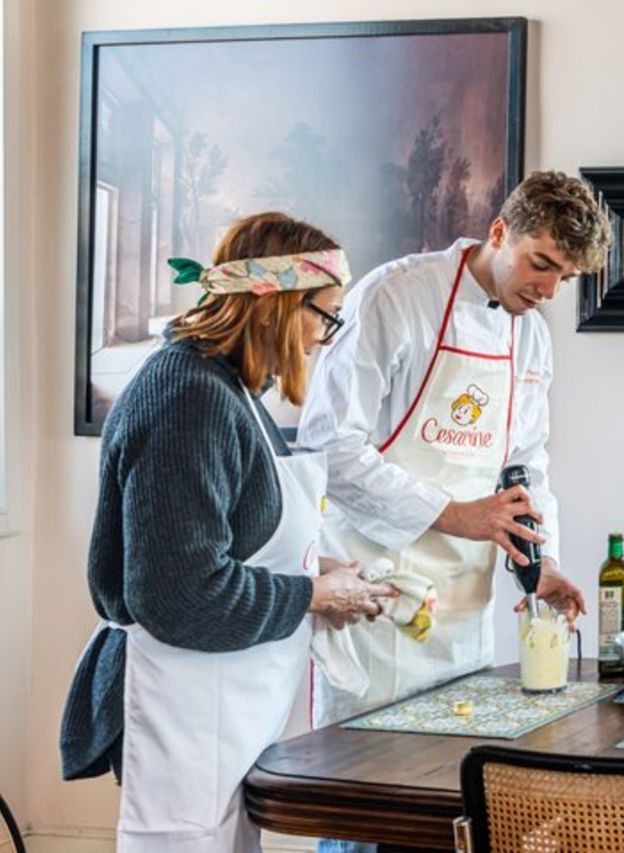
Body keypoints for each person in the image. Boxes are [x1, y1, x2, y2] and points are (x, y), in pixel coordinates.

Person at [59, 212, 392, 853]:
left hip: (221, 712)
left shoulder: (232, 393)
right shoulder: (188, 398)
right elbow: (179, 594)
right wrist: (313, 598)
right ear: (274, 306)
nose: (325, 338)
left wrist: (321, 571)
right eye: (322, 316)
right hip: (183, 711)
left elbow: (234, 537)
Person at [298, 171, 611, 741]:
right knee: (363, 795)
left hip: (464, 603)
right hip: (373, 590)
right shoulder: (395, 296)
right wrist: (454, 513)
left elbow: (525, 466)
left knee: (449, 782)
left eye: (565, 277)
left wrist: (541, 567)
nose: (548, 291)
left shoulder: (531, 334)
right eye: (540, 263)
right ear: (498, 232)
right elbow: (330, 449)